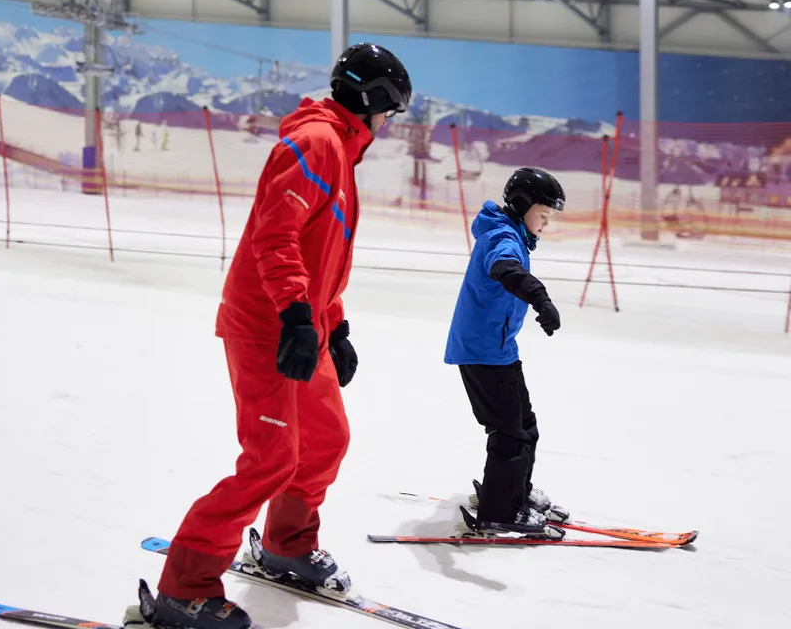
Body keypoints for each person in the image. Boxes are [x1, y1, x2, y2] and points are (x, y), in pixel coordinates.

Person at [150, 43, 412, 629]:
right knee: (271, 459)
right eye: (390, 113)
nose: (388, 125)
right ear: (373, 102)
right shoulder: (318, 144)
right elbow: (277, 236)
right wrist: (296, 314)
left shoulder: (341, 150)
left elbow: (322, 251)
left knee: (324, 440)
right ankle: (183, 587)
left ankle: (287, 545)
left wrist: (333, 321)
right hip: (267, 322)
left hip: (304, 322)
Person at [444, 167, 565, 533]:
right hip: (484, 352)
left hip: (495, 351)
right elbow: (505, 269)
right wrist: (540, 299)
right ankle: (500, 511)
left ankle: (515, 492)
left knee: (524, 426)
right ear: (523, 204)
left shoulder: (508, 231)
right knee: (510, 433)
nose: (545, 224)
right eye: (542, 215)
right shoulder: (502, 237)